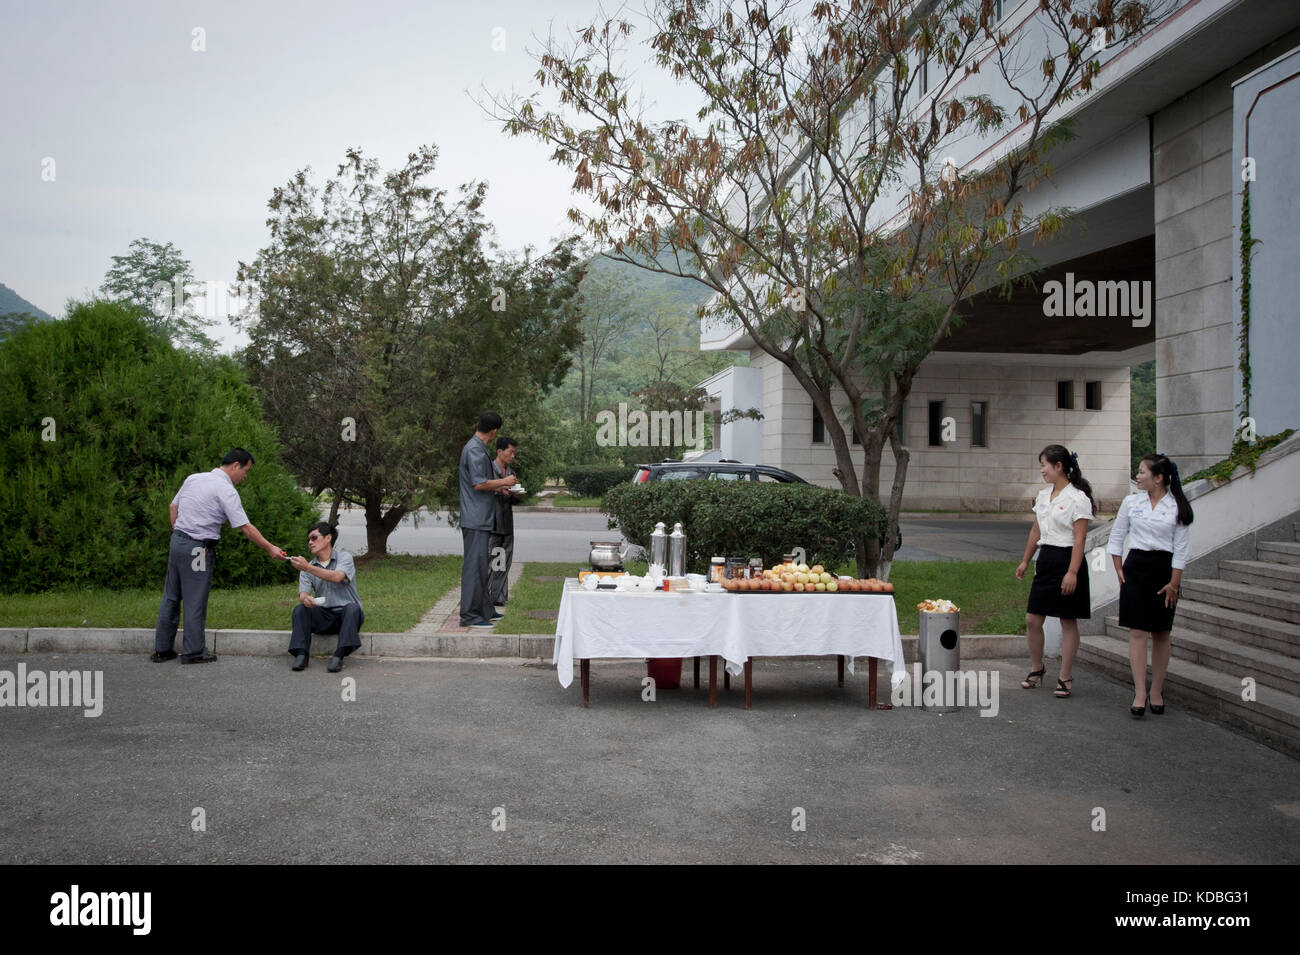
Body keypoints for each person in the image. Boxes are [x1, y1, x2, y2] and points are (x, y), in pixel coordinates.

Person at [153, 448, 286, 664]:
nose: (245, 476)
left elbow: (173, 506)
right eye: (246, 470)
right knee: (195, 599)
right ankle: (194, 651)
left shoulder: (194, 478)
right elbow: (245, 527)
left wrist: (179, 534)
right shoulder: (225, 489)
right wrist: (271, 548)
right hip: (198, 548)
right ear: (235, 465)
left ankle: (162, 649)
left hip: (177, 542)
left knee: (171, 596)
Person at [1107, 453, 1194, 718]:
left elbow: (1181, 549)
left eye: (1143, 472)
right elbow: (1117, 535)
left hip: (1164, 572)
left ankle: (1157, 689)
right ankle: (1140, 692)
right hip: (1136, 568)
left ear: (1158, 478)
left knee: (1161, 632)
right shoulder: (1131, 502)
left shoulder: (1177, 505)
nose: (1138, 475)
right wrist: (1118, 565)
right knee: (1137, 632)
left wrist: (1174, 583)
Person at [1015, 444, 1094, 698]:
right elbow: (1036, 532)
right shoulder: (1042, 496)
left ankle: (1065, 676)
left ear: (1059, 466)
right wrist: (1026, 561)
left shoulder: (1078, 499)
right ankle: (1037, 668)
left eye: (1044, 465)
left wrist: (1072, 573)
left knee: (1067, 620)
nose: (1042, 470)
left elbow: (1080, 540)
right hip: (1046, 559)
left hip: (1067, 560)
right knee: (1032, 619)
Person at [459, 411, 518, 628]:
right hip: (475, 518)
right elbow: (479, 483)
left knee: (482, 567)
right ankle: (469, 616)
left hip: (482, 518)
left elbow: (484, 484)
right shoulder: (474, 449)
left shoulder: (478, 447)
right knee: (474, 568)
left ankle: (485, 609)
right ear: (494, 431)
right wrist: (504, 480)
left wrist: (500, 487)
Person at [286, 522, 364, 673]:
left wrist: (307, 568)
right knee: (300, 609)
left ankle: (338, 656)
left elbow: (337, 577)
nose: (310, 542)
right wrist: (305, 599)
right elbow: (303, 593)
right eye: (308, 539)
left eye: (314, 538)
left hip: (347, 616)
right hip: (324, 615)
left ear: (328, 538)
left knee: (352, 608)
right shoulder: (307, 567)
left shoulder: (344, 557)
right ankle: (301, 655)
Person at [489, 436, 522, 608]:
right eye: (510, 452)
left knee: (504, 561)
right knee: (491, 560)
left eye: (514, 453)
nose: (512, 456)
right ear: (500, 451)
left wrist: (516, 495)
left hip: (507, 523)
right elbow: (482, 490)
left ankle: (500, 597)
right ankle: (487, 596)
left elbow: (514, 500)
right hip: (492, 523)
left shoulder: (511, 473)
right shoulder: (489, 470)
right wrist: (500, 488)